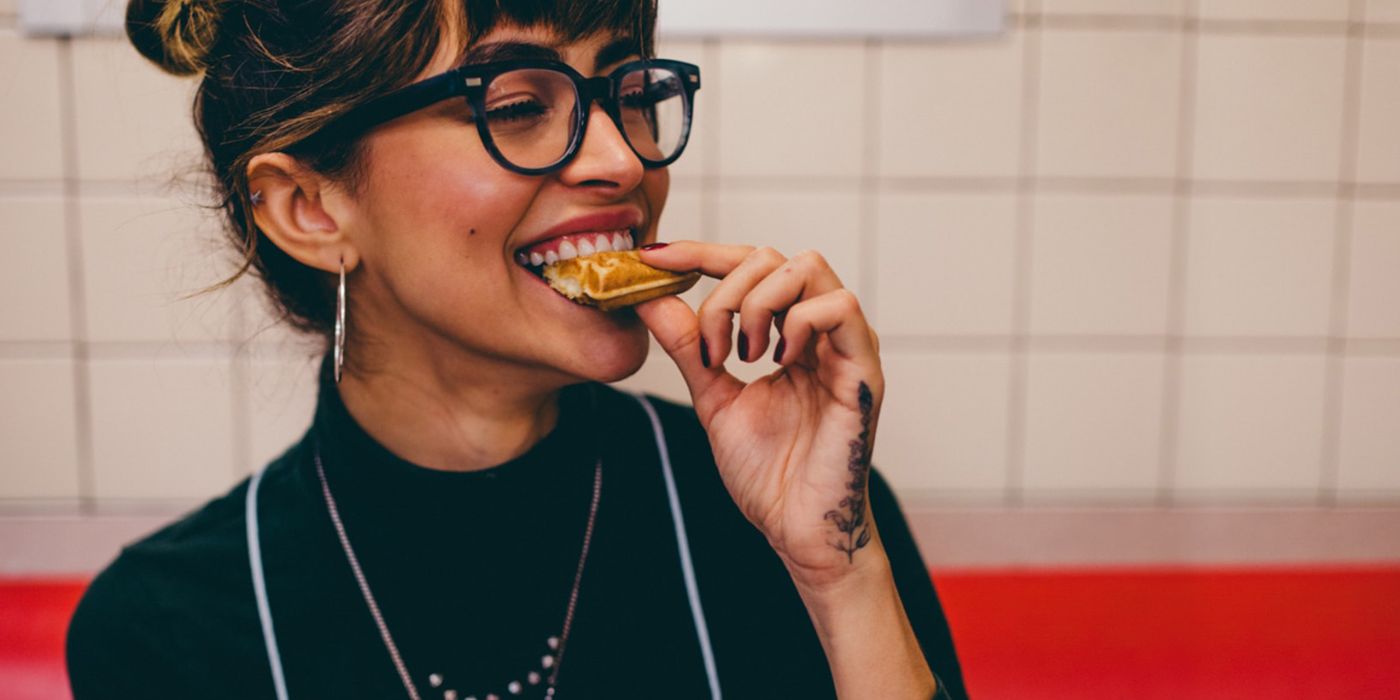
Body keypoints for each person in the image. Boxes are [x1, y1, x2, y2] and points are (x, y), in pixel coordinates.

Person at [66, 1, 968, 698]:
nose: (623, 160)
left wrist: (842, 580)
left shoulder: (793, 518)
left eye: (629, 91)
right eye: (519, 104)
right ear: (311, 208)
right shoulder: (165, 629)